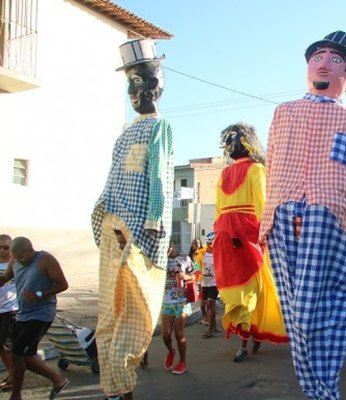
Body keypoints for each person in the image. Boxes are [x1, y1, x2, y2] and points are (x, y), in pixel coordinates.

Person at [260, 31, 346, 399]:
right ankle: (322, 393)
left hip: (329, 217)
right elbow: (272, 164)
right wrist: (266, 221)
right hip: (282, 216)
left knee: (316, 312)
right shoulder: (284, 111)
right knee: (294, 315)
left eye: (335, 59)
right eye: (317, 56)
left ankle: (323, 390)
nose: (323, 62)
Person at [91, 38, 174, 400]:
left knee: (138, 313)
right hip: (114, 226)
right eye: (131, 82)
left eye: (143, 81)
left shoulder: (160, 128)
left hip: (140, 234)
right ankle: (114, 388)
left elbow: (160, 176)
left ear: (159, 85)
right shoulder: (124, 133)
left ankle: (121, 387)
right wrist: (105, 219)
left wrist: (152, 225)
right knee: (110, 313)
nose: (135, 90)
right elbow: (112, 178)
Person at [214, 123, 288, 363]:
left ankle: (246, 338)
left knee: (248, 288)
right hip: (231, 235)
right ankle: (248, 334)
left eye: (232, 140)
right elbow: (221, 209)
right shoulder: (228, 173)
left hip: (244, 234)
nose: (229, 145)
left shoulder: (256, 170)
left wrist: (263, 234)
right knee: (238, 287)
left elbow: (263, 205)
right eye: (227, 141)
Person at [0, 237, 69, 400]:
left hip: (41, 314)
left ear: (30, 250)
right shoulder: (15, 261)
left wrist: (39, 294)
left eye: (22, 257)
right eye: (16, 258)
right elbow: (6, 277)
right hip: (23, 314)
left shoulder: (45, 260)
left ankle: (16, 395)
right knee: (22, 356)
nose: (19, 261)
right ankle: (58, 380)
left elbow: (63, 284)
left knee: (17, 353)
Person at [161, 243, 195, 375]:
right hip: (167, 301)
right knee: (165, 334)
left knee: (179, 333)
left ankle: (182, 362)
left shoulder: (185, 258)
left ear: (172, 245)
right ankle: (171, 351)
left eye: (167, 247)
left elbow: (195, 275)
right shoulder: (159, 259)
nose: (165, 250)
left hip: (182, 301)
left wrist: (186, 277)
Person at [0, 234, 17, 392]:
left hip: (11, 310)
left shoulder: (17, 265)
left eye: (6, 247)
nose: (3, 250)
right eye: (0, 247)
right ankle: (12, 374)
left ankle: (14, 378)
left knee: (10, 346)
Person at [198, 233, 218, 338]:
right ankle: (213, 326)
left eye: (211, 242)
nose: (209, 244)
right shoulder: (202, 254)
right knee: (208, 306)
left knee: (210, 304)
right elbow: (199, 268)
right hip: (204, 283)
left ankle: (210, 329)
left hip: (215, 283)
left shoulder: (219, 254)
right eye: (208, 242)